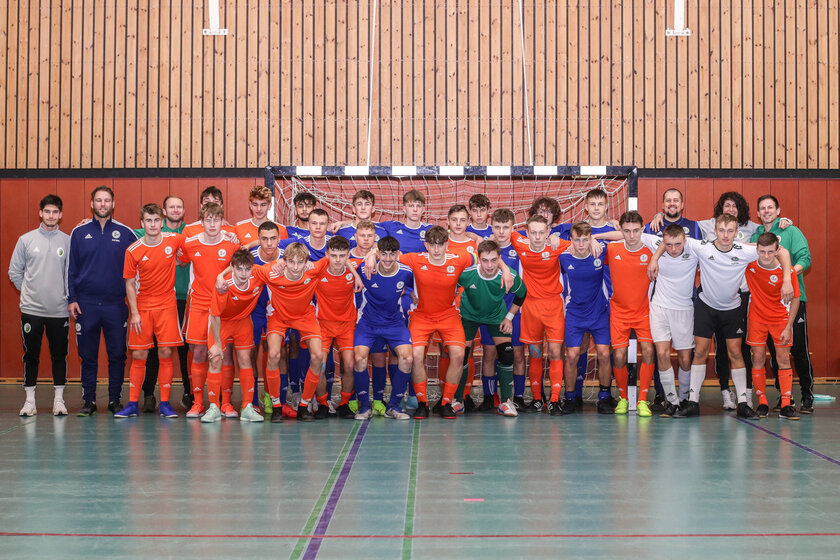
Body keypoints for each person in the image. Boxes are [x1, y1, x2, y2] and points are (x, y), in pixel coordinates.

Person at [648, 213, 795, 418]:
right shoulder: (703, 247)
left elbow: (782, 251)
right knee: (700, 352)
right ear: (715, 231)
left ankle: (742, 403)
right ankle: (693, 402)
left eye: (730, 231)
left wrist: (787, 278)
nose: (726, 235)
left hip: (732, 308)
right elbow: (670, 239)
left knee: (735, 353)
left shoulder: (745, 250)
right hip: (706, 307)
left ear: (736, 232)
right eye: (722, 230)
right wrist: (654, 259)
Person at [255, 242, 361, 422]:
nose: (296, 267)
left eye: (300, 262)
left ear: (306, 262)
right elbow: (246, 268)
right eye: (291, 262)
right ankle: (276, 406)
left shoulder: (314, 269)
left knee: (318, 357)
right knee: (273, 354)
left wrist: (356, 275)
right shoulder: (271, 271)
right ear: (285, 261)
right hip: (278, 316)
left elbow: (340, 258)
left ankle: (304, 405)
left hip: (305, 316)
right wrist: (220, 276)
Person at [68, 186, 138, 416]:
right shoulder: (78, 233)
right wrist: (72, 298)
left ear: (113, 204)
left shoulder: (126, 233)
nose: (103, 204)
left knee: (117, 355)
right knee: (87, 356)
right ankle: (88, 401)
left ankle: (114, 401)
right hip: (85, 304)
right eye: (98, 200)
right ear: (92, 204)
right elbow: (71, 269)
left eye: (107, 200)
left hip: (115, 305)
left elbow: (141, 259)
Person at [115, 204, 184, 419]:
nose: (153, 224)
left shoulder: (173, 240)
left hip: (167, 306)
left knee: (165, 353)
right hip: (143, 307)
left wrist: (227, 228)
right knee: (139, 354)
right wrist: (134, 312)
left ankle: (165, 404)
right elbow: (129, 284)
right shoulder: (133, 250)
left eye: (156, 220)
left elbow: (197, 238)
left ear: (162, 222)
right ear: (142, 223)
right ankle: (132, 404)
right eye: (148, 220)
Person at [9, 194, 71, 416]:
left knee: (59, 355)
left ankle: (59, 401)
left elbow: (70, 275)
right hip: (31, 310)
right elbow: (14, 272)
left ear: (60, 215)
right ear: (40, 213)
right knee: (31, 355)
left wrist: (64, 297)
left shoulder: (68, 241)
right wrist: (29, 292)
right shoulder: (26, 240)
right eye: (47, 211)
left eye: (55, 212)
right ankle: (29, 402)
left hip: (59, 311)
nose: (51, 216)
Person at [751, 194, 814, 414]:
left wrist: (788, 276)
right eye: (762, 208)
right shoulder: (757, 235)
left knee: (799, 350)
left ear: (778, 211)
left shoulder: (791, 231)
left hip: (792, 299)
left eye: (770, 207)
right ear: (758, 213)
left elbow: (805, 259)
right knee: (776, 353)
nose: (766, 211)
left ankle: (807, 396)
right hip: (767, 305)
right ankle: (786, 398)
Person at [179, 203, 240, 418]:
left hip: (223, 305)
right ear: (202, 221)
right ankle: (197, 403)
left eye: (216, 220)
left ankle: (226, 403)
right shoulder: (190, 243)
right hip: (199, 304)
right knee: (199, 352)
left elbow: (241, 262)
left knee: (225, 353)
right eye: (208, 220)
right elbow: (177, 259)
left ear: (222, 221)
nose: (212, 224)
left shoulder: (232, 243)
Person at [643, 188, 701, 412]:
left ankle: (685, 398)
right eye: (668, 200)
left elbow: (724, 239)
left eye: (676, 200)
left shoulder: (694, 238)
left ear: (682, 204)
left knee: (685, 359)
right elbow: (626, 233)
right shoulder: (654, 230)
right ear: (662, 204)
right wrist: (595, 237)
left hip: (685, 307)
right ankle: (671, 401)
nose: (672, 203)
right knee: (662, 353)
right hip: (659, 307)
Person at [512, 215, 577, 414]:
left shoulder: (557, 245)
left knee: (556, 353)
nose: (538, 237)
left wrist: (593, 240)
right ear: (527, 233)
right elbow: (499, 232)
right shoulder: (519, 242)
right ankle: (538, 399)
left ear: (548, 232)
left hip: (553, 306)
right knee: (535, 354)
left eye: (542, 232)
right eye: (533, 233)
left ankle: (555, 400)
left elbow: (582, 241)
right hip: (530, 307)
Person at [455, 239, 527, 417]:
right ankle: (458, 400)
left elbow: (522, 294)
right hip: (469, 315)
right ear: (478, 259)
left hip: (495, 316)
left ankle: (506, 402)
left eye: (493, 260)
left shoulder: (508, 276)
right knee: (461, 355)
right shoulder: (467, 273)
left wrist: (509, 318)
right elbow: (450, 285)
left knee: (507, 353)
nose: (489, 265)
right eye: (485, 260)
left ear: (499, 259)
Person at [133, 195, 192, 412]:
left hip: (184, 299)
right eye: (171, 207)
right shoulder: (147, 231)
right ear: (164, 212)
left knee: (183, 350)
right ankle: (149, 394)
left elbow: (204, 241)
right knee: (151, 351)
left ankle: (188, 394)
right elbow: (126, 236)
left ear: (184, 210)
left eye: (179, 206)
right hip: (154, 301)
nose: (175, 210)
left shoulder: (187, 232)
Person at [353, 236, 415, 420]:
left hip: (394, 323)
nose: (388, 259)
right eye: (384, 254)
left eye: (392, 254)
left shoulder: (406, 272)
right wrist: (370, 254)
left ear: (398, 254)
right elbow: (345, 262)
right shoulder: (366, 268)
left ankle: (393, 406)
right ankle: (365, 407)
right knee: (359, 359)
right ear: (379, 253)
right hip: (368, 323)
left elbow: (413, 290)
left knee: (407, 358)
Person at [203, 248, 266, 423]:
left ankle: (247, 407)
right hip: (221, 322)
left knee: (246, 359)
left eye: (247, 269)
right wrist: (217, 344)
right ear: (232, 268)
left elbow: (278, 265)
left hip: (243, 321)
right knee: (215, 359)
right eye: (239, 269)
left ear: (252, 267)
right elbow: (215, 315)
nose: (244, 274)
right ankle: (214, 407)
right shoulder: (223, 286)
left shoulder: (258, 274)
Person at [603, 211, 656, 417]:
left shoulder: (651, 250)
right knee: (618, 355)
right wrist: (593, 238)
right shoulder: (612, 249)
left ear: (642, 230)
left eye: (636, 231)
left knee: (649, 351)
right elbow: (584, 246)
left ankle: (642, 400)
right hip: (619, 311)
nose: (632, 235)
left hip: (644, 311)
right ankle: (623, 398)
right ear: (621, 231)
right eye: (627, 231)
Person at [558, 222, 614, 415]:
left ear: (590, 239)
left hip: (599, 312)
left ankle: (604, 397)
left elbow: (624, 236)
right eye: (577, 240)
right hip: (575, 313)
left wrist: (597, 238)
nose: (581, 244)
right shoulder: (563, 256)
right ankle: (570, 398)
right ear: (571, 240)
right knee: (573, 355)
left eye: (585, 239)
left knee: (604, 354)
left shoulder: (600, 251)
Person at [745, 233, 801, 420]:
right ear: (757, 250)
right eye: (762, 251)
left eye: (770, 252)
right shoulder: (750, 265)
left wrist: (788, 326)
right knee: (758, 357)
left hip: (780, 319)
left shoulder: (788, 272)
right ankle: (762, 403)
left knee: (783, 358)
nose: (766, 256)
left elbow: (796, 299)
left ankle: (786, 405)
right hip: (757, 317)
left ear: (778, 251)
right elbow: (735, 247)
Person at [481, 209, 527, 410]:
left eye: (505, 227)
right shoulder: (484, 248)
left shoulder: (520, 247)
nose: (501, 231)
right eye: (497, 227)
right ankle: (489, 398)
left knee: (517, 355)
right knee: (489, 353)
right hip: (489, 312)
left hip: (514, 311)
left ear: (512, 228)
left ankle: (518, 397)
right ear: (491, 227)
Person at [314, 236, 359, 419]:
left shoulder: (355, 266)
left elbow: (377, 254)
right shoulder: (319, 268)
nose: (338, 260)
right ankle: (323, 404)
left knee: (349, 364)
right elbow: (297, 265)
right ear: (327, 255)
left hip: (347, 324)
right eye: (334, 256)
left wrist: (370, 257)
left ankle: (344, 403)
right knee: (319, 365)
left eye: (342, 256)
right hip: (323, 324)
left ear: (348, 255)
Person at [379, 189, 433, 253]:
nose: (415, 209)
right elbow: (370, 227)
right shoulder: (392, 226)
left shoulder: (430, 230)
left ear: (423, 209)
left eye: (418, 206)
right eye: (411, 206)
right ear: (404, 209)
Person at [236, 184, 287, 248]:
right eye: (255, 205)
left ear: (269, 205)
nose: (259, 209)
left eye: (263, 205)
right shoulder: (239, 227)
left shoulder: (281, 230)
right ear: (250, 205)